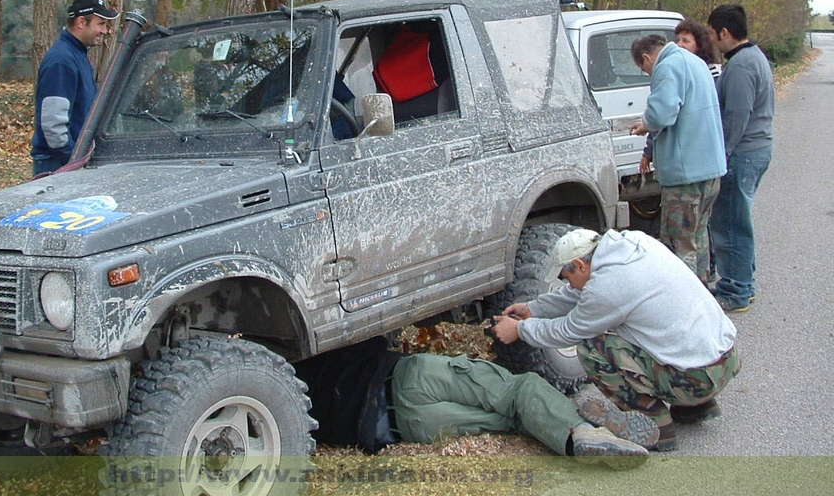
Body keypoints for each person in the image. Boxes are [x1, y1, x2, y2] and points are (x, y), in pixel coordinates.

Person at [491, 228, 741, 452]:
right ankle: (695, 406)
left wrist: (521, 330)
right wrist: (533, 308)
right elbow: (579, 292)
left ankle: (655, 426)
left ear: (579, 264)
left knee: (593, 346)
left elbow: (568, 330)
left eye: (566, 278)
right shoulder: (634, 244)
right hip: (723, 360)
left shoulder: (608, 287)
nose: (567, 284)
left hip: (698, 378)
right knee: (654, 328)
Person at [295, 336, 657, 466]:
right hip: (410, 379)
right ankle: (586, 428)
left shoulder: (283, 407)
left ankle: (581, 434)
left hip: (403, 427)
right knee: (519, 390)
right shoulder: (303, 352)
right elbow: (371, 342)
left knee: (515, 419)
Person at [628, 34, 726, 280]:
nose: (648, 73)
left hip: (685, 175)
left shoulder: (667, 67)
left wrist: (645, 124)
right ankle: (703, 291)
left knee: (678, 242)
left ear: (646, 57)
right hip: (710, 169)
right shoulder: (694, 62)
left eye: (644, 69)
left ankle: (684, 302)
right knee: (699, 235)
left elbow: (661, 113)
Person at [706, 4, 775, 313]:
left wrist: (723, 155)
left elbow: (737, 115)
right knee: (738, 220)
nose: (711, 40)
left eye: (712, 34)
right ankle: (743, 282)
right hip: (755, 149)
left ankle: (735, 291)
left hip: (743, 153)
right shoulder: (752, 57)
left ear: (724, 33)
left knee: (731, 224)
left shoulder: (743, 64)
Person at [31, 0, 119, 176]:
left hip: (69, 161)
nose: (105, 30)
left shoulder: (77, 55)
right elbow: (53, 125)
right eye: (101, 23)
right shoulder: (61, 60)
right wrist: (74, 158)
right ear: (81, 22)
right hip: (58, 165)